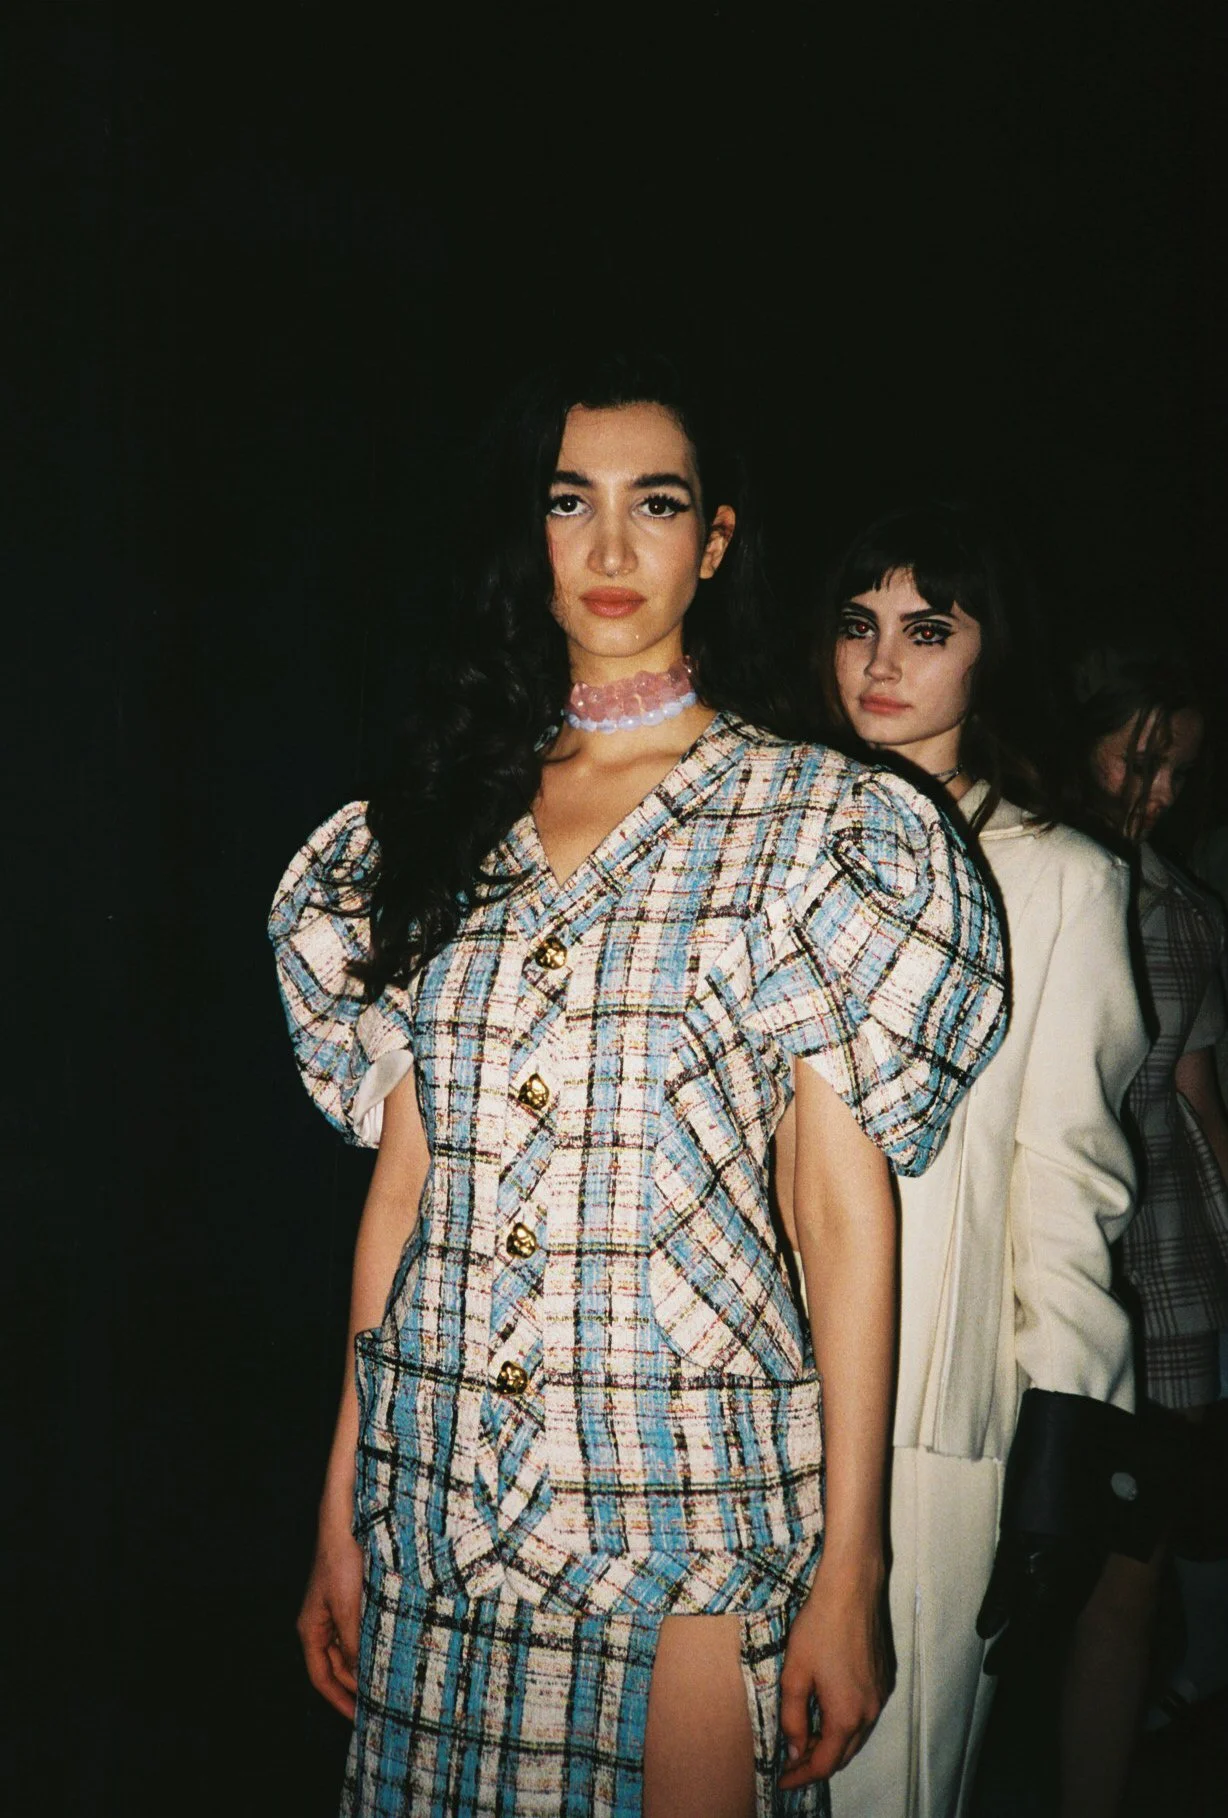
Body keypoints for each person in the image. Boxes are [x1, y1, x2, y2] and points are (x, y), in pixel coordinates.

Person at [267, 357, 1007, 1818]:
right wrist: (339, 1513)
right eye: (569, 502)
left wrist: (850, 1567)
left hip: (691, 1495)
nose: (610, 551)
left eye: (654, 505)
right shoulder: (430, 823)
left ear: (714, 538)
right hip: (439, 1497)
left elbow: (839, 1210)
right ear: (523, 530)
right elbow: (409, 1189)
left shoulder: (814, 821)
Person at [783, 504, 1149, 1818]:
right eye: (859, 625)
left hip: (932, 1411)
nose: (881, 661)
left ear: (989, 653)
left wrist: (1062, 1429)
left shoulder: (1058, 880)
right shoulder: (773, 836)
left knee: (890, 1781)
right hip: (735, 1396)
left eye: (927, 630)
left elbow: (1071, 1175)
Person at [1059, 645, 1228, 1818]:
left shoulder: (1184, 907)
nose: (1158, 791)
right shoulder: (1036, 873)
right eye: (1141, 760)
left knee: (1136, 1560)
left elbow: (1199, 1104)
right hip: (1052, 1260)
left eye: (1180, 774)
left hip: (1165, 1277)